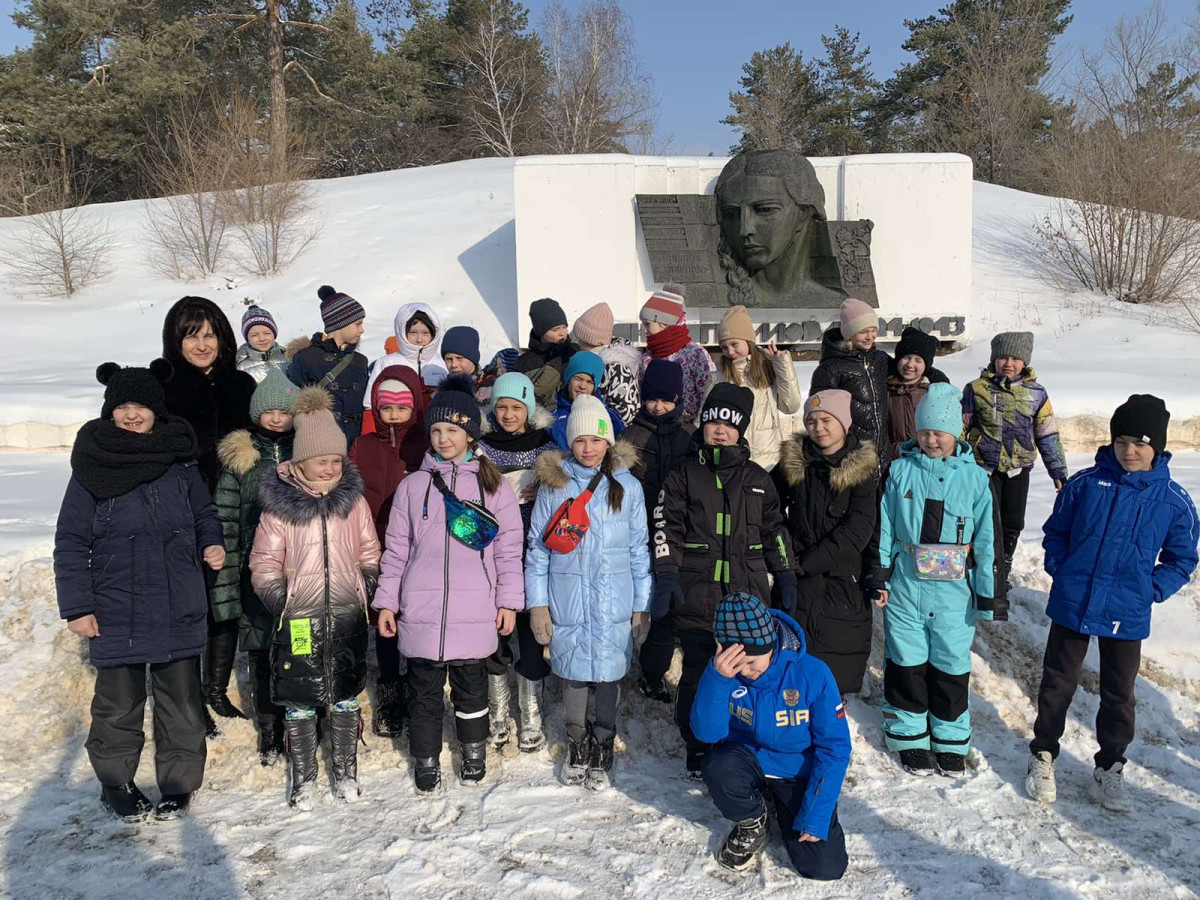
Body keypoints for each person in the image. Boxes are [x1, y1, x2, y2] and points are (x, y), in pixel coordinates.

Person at [54, 360, 224, 822]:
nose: (132, 415)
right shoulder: (92, 465)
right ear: (109, 412)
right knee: (117, 704)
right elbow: (71, 540)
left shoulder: (179, 462)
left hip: (176, 599)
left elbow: (205, 513)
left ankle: (178, 783)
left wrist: (211, 541)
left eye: (141, 406)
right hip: (115, 605)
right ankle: (116, 783)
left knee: (181, 702)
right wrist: (78, 606)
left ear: (156, 410)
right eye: (123, 406)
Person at [1025, 395, 1198, 813]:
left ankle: (1110, 766)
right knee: (1057, 684)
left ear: (1156, 446)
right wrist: (1061, 570)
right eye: (1121, 441)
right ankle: (1043, 754)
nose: (1129, 451)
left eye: (1140, 442)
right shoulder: (1086, 485)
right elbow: (1056, 533)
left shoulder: (1173, 501)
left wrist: (1152, 589)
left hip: (1127, 610)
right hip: (1074, 601)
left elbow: (1182, 557)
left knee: (1119, 694)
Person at [372, 376, 525, 792]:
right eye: (436, 430)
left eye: (453, 431)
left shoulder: (491, 486)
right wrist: (387, 602)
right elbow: (396, 550)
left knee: (471, 694)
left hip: (473, 611)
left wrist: (508, 602)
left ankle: (473, 751)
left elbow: (509, 550)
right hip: (421, 614)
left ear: (470, 435)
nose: (443, 439)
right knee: (422, 695)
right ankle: (425, 759)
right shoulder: (412, 486)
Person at [653, 383, 796, 776]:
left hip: (748, 600)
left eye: (730, 424)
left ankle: (740, 741)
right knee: (701, 673)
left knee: (748, 674)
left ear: (742, 430)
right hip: (698, 598)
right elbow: (668, 527)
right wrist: (666, 575)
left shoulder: (757, 478)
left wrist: (784, 573)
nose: (720, 429)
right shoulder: (684, 474)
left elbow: (774, 529)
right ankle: (697, 744)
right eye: (713, 420)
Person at [249, 386, 381, 806]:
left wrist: (365, 589)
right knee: (300, 697)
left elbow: (370, 552)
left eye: (336, 461)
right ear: (300, 461)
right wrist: (283, 603)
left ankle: (345, 771)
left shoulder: (352, 501)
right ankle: (303, 777)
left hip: (345, 617)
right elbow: (263, 563)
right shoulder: (279, 507)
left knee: (344, 693)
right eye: (321, 461)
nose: (329, 469)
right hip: (300, 620)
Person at [526, 395, 652, 789]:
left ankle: (603, 741)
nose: (588, 448)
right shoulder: (554, 486)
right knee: (575, 675)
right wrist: (539, 605)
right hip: (570, 599)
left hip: (615, 599)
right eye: (580, 440)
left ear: (609, 442)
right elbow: (537, 549)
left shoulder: (628, 487)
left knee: (610, 676)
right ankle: (576, 742)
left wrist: (641, 607)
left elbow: (638, 550)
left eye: (596, 440)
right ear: (570, 442)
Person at [875, 382, 996, 778]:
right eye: (924, 431)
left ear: (955, 434)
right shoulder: (899, 470)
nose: (930, 440)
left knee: (950, 664)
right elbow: (886, 526)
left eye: (939, 433)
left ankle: (950, 738)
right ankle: (909, 736)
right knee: (906, 661)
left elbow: (986, 540)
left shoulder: (976, 479)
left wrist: (987, 592)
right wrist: (880, 573)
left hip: (953, 594)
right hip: (907, 585)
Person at [691, 593, 851, 878]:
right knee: (718, 765)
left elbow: (835, 748)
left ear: (772, 645)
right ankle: (752, 819)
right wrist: (718, 679)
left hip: (796, 773)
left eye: (753, 663)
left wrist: (815, 815)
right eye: (739, 665)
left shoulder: (812, 673)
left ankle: (787, 805)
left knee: (824, 866)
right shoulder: (723, 674)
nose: (748, 672)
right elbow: (707, 734)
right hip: (748, 761)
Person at [160, 296, 256, 734]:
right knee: (190, 601)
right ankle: (190, 695)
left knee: (226, 598)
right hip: (180, 511)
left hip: (233, 509)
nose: (201, 344)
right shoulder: (164, 386)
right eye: (190, 335)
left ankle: (215, 689)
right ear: (175, 340)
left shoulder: (241, 386)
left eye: (209, 334)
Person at [212, 368, 299, 765]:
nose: (278, 418)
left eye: (285, 411)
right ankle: (268, 726)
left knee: (299, 649)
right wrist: (228, 577)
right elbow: (226, 518)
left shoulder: (308, 452)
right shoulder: (241, 459)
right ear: (257, 414)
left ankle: (299, 722)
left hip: (300, 575)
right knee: (262, 652)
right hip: (255, 575)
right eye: (270, 412)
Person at [774, 390, 878, 695]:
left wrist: (807, 563)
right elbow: (770, 508)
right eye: (812, 420)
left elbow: (859, 527)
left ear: (844, 424)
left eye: (826, 420)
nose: (818, 427)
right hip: (796, 579)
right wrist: (785, 553)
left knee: (832, 674)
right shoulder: (795, 463)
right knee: (791, 668)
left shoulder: (862, 471)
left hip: (841, 582)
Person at [477, 372, 557, 752]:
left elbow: (563, 485)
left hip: (534, 549)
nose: (509, 415)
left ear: (529, 409)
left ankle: (530, 708)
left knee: (530, 632)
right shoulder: (481, 448)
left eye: (516, 407)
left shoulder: (546, 445)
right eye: (502, 407)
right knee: (496, 630)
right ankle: (497, 707)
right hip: (492, 551)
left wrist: (545, 483)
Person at [349, 364, 425, 738]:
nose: (394, 415)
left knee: (419, 618)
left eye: (402, 407)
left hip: (421, 548)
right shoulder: (363, 446)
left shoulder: (426, 444)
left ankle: (421, 688)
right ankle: (391, 690)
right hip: (379, 548)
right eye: (386, 408)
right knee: (386, 623)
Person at [962, 332, 1067, 583]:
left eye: (1015, 358)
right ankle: (979, 567)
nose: (1008, 363)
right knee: (984, 520)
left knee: (1012, 521)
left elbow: (1047, 433)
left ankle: (1003, 566)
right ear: (993, 359)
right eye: (1003, 357)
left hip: (1018, 468)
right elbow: (961, 427)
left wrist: (1058, 471)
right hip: (982, 469)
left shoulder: (1037, 393)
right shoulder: (976, 389)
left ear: (1025, 362)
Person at [622, 359, 694, 703]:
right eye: (652, 399)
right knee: (651, 600)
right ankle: (649, 670)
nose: (658, 406)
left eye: (666, 400)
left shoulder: (688, 437)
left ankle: (663, 663)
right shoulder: (632, 435)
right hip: (641, 531)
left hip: (680, 532)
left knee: (673, 599)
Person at [709, 304, 802, 470]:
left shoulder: (769, 366)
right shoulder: (718, 374)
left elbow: (790, 406)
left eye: (734, 344)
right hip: (730, 460)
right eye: (724, 347)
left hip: (768, 460)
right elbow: (705, 416)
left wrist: (782, 365)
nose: (730, 351)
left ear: (748, 341)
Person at [809, 298, 890, 474]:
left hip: (883, 454)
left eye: (874, 330)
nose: (870, 336)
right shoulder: (830, 369)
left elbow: (905, 370)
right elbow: (819, 412)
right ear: (849, 334)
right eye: (863, 332)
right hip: (851, 456)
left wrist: (934, 374)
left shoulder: (880, 359)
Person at [286, 284, 370, 445]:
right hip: (320, 445)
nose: (362, 330)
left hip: (357, 445)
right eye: (357, 324)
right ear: (340, 323)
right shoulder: (305, 358)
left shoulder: (360, 361)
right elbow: (290, 403)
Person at [638, 283, 715, 428]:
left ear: (663, 323)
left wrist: (698, 430)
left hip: (687, 431)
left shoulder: (695, 354)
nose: (645, 331)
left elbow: (707, 394)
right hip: (653, 430)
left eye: (647, 324)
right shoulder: (648, 357)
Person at [571, 301, 644, 426]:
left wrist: (594, 424)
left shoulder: (617, 367)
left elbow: (625, 411)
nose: (578, 343)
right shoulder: (587, 359)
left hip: (605, 433)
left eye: (581, 340)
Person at [885, 326, 950, 462]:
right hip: (895, 459)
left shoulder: (933, 391)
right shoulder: (886, 389)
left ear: (926, 365)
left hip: (929, 460)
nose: (910, 364)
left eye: (918, 360)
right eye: (906, 358)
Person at [366, 302, 448, 405]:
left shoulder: (442, 365)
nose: (419, 339)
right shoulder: (386, 364)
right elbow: (370, 403)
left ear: (434, 334)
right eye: (413, 333)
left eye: (425, 333)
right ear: (403, 333)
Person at [549, 350, 625, 450]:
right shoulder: (552, 416)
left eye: (589, 382)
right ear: (569, 379)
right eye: (578, 379)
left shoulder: (608, 416)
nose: (582, 386)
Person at [513, 297, 578, 409]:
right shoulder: (525, 362)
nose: (562, 333)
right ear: (540, 332)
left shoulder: (574, 352)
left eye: (564, 327)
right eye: (555, 329)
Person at [440, 325, 497, 405]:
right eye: (449, 359)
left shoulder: (491, 388)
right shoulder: (442, 390)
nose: (454, 365)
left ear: (473, 359)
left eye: (459, 358)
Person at [235, 305, 287, 383]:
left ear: (274, 334)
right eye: (254, 335)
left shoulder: (289, 358)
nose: (262, 339)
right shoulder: (238, 367)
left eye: (267, 333)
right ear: (247, 338)